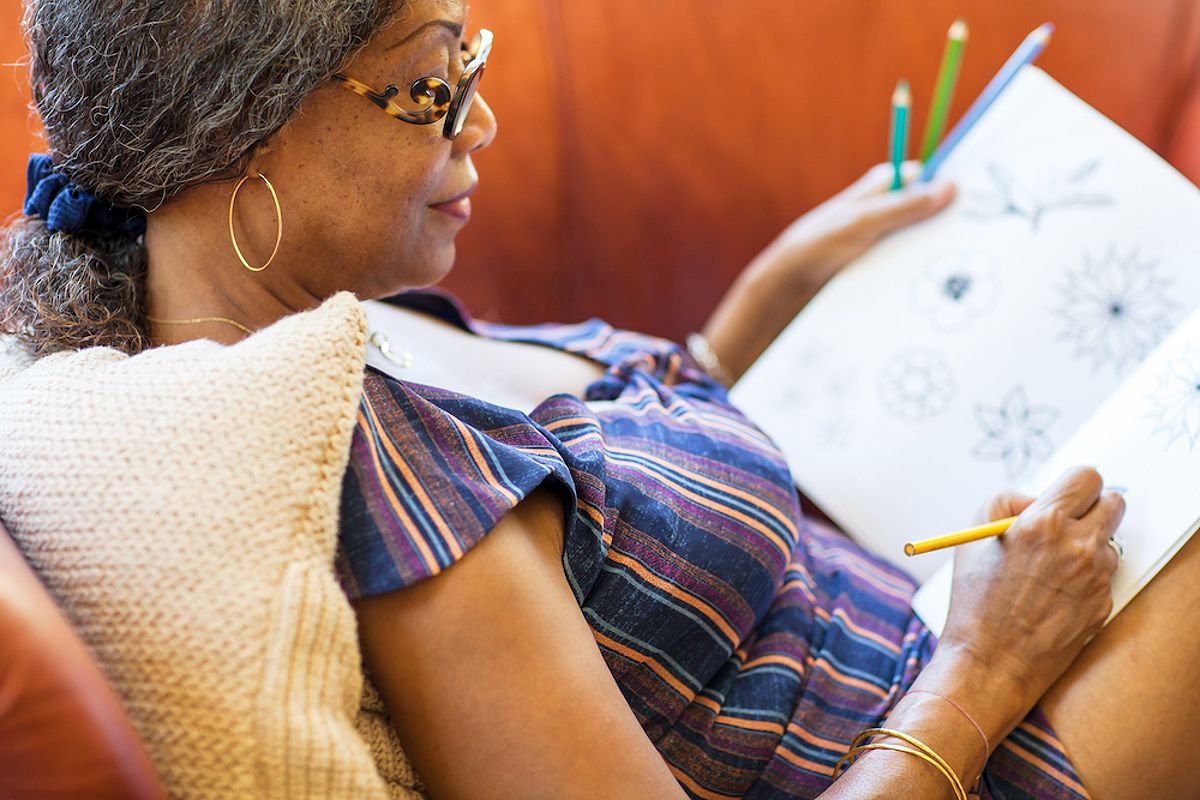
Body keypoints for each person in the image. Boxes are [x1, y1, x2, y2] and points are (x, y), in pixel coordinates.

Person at [2, 1, 1196, 797]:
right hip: (983, 740)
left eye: (472, 65)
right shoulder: (380, 478)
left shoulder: (325, 313)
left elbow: (598, 526)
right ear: (241, 130)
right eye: (428, 89)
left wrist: (756, 311)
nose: (483, 120)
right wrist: (991, 658)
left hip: (952, 636)